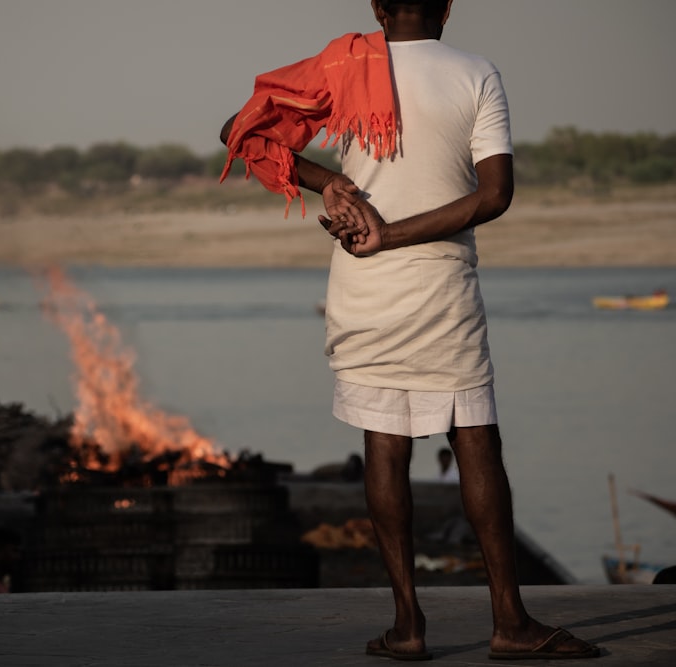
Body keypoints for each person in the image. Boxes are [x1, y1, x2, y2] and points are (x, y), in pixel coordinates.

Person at [220, 0, 600, 660]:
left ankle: (407, 625)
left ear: (376, 6)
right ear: (448, 5)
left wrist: (326, 180)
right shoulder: (477, 73)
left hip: (362, 285)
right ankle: (509, 621)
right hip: (442, 281)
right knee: (476, 438)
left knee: (385, 446)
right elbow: (494, 195)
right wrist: (392, 231)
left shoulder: (340, 67)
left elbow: (238, 128)